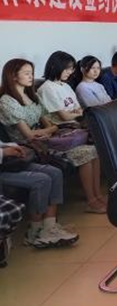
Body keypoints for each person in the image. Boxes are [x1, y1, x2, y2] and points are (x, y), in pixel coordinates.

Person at [0, 59, 105, 214]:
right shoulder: (7, 101)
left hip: (47, 140)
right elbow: (28, 134)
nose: (31, 77)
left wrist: (49, 130)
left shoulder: (31, 95)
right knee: (87, 153)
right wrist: (50, 129)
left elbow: (49, 124)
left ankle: (98, 196)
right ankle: (91, 201)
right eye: (27, 73)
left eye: (32, 73)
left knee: (94, 150)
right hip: (30, 147)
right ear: (13, 76)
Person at [0, 141, 78, 249]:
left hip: (7, 164)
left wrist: (14, 147)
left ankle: (49, 227)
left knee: (55, 173)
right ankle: (35, 231)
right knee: (41, 180)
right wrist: (3, 152)